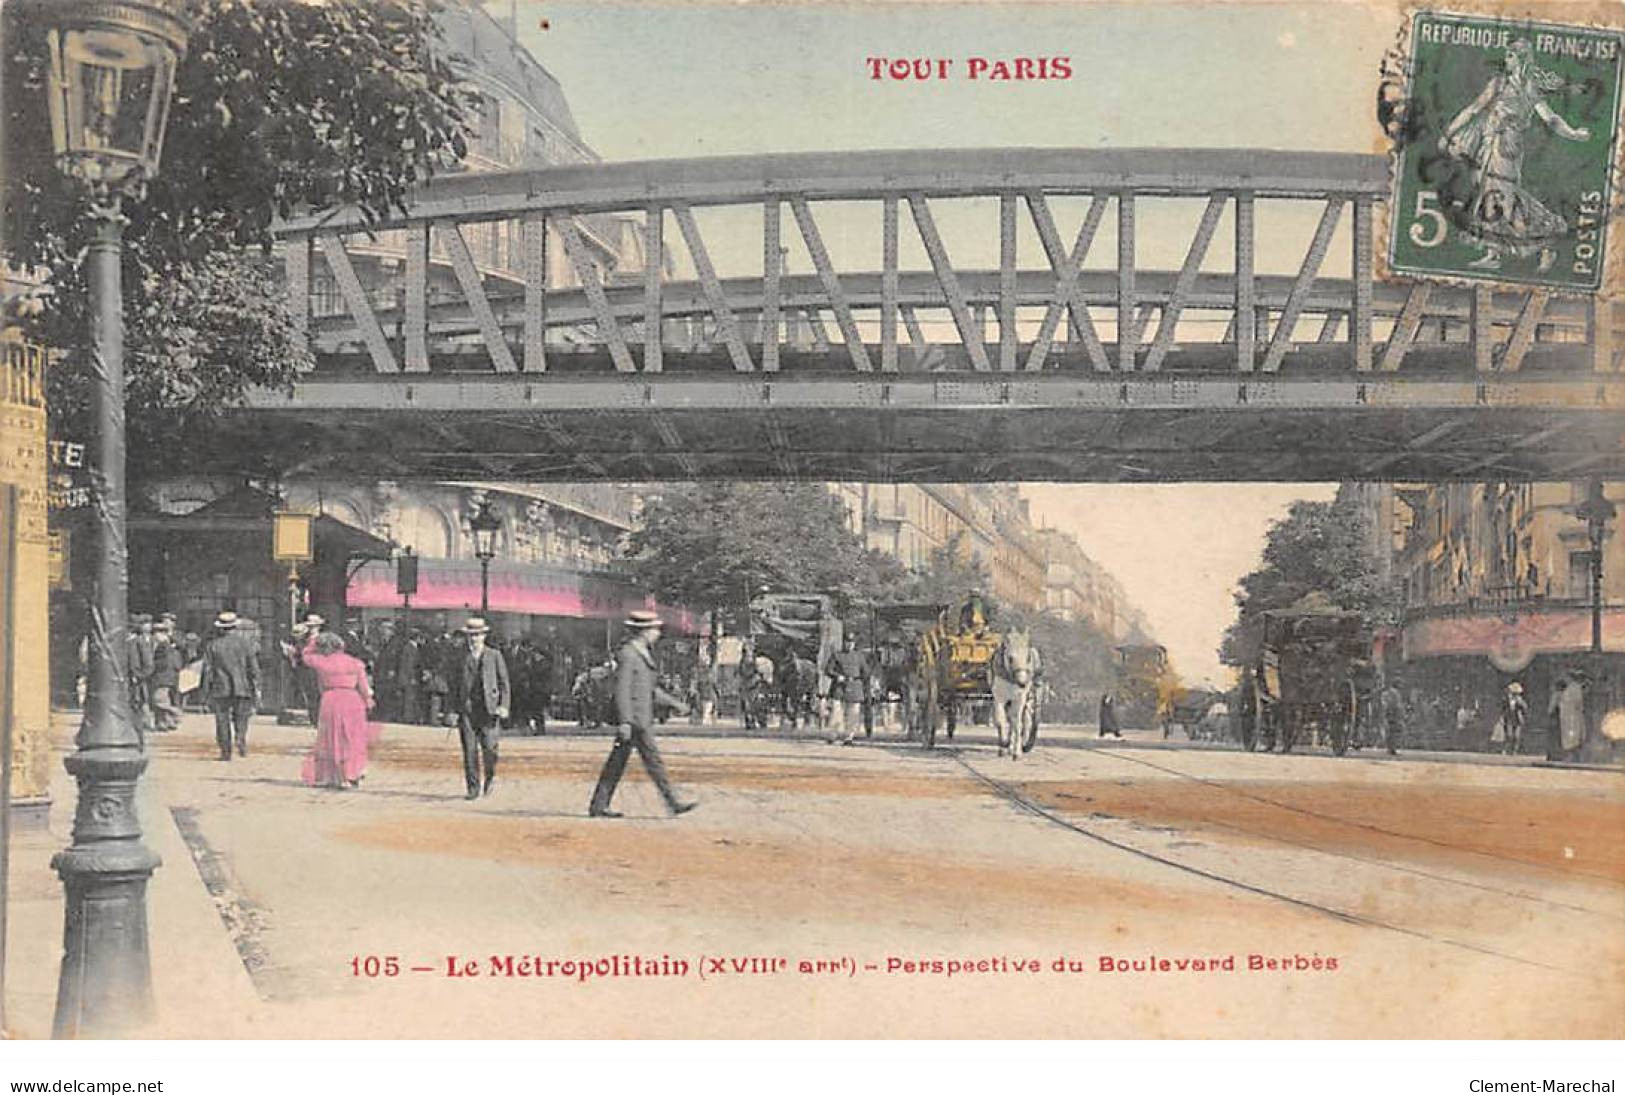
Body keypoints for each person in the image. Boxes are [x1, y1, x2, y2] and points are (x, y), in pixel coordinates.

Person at [1438, 39, 1592, 271]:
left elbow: (1550, 118)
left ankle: (1544, 243)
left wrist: (1574, 134)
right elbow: (1473, 109)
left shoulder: (1530, 89)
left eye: (1510, 56)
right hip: (1488, 146)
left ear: (1521, 59)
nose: (1507, 60)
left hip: (1508, 148)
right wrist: (1449, 133)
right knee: (1490, 194)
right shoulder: (1498, 84)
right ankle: (1495, 253)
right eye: (1507, 55)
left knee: (1504, 197)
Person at [589, 610, 694, 819]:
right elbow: (622, 689)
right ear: (643, 632)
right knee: (652, 761)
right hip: (635, 720)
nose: (657, 633)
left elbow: (650, 689)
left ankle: (599, 805)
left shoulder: (641, 653)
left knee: (617, 763)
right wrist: (625, 721)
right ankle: (672, 801)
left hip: (639, 718)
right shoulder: (629, 654)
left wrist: (675, 704)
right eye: (654, 629)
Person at [299, 629, 380, 790]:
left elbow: (305, 655)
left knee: (330, 737)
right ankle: (353, 772)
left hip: (330, 699)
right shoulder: (355, 663)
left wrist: (313, 639)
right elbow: (364, 687)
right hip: (352, 699)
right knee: (353, 738)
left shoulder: (322, 662)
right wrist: (368, 701)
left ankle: (331, 775)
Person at [450, 618, 509, 799]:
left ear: (484, 636)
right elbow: (453, 685)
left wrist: (504, 705)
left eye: (477, 635)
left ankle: (490, 777)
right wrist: (452, 710)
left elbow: (504, 683)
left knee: (490, 749)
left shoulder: (494, 655)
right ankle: (473, 788)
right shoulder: (459, 657)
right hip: (467, 710)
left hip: (489, 710)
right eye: (470, 636)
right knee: (469, 750)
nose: (473, 639)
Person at [201, 611, 260, 760]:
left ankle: (225, 751)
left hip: (220, 687)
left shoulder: (213, 645)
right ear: (235, 627)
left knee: (222, 720)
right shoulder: (246, 644)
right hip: (243, 686)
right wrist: (256, 686)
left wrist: (205, 692)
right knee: (242, 717)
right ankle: (240, 737)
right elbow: (253, 668)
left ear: (221, 628)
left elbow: (207, 670)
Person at [827, 635, 869, 745]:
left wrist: (862, 682)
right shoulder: (836, 655)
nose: (849, 644)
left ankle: (849, 737)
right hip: (839, 687)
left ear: (854, 644)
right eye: (847, 642)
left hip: (855, 686)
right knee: (836, 711)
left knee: (853, 713)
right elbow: (828, 670)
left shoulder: (859, 657)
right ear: (843, 642)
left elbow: (866, 672)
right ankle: (833, 734)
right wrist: (837, 676)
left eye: (851, 642)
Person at [148, 620, 183, 732]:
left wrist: (151, 667)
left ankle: (175, 712)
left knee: (158, 700)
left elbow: (163, 662)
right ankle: (165, 722)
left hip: (162, 677)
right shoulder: (167, 645)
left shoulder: (163, 646)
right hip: (165, 677)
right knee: (163, 699)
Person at [127, 613, 156, 737]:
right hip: (135, 679)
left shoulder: (138, 642)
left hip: (136, 680)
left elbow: (147, 663)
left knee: (138, 706)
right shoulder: (138, 641)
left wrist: (139, 675)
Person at [1549, 672, 1585, 762]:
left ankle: (1570, 756)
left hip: (1570, 716)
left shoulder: (1573, 688)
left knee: (1571, 736)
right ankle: (1567, 755)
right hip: (1567, 716)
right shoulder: (1570, 689)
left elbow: (1577, 703)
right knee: (1569, 736)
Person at [1498, 681, 1528, 756]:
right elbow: (1503, 708)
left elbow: (1525, 708)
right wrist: (1502, 717)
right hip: (1509, 718)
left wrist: (1520, 703)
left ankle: (1515, 750)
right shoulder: (1506, 699)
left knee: (1517, 736)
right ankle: (1505, 749)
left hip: (1517, 718)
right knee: (1509, 734)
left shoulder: (1520, 700)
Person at [1380, 679, 1405, 756]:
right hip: (1394, 715)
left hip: (1389, 714)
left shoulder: (1386, 693)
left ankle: (1390, 748)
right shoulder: (1395, 693)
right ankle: (1392, 748)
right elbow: (1396, 705)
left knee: (1391, 732)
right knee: (1395, 732)